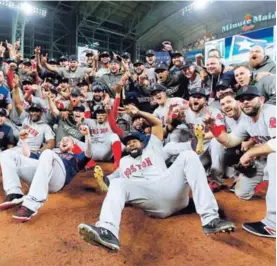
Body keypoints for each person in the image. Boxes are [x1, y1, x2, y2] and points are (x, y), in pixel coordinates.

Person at [78, 104, 235, 252]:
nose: (131, 144)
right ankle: (108, 230)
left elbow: (157, 124)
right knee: (118, 183)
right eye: (128, 143)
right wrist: (102, 181)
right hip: (152, 202)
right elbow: (111, 188)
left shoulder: (153, 147)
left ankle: (210, 219)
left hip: (170, 187)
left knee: (188, 155)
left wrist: (138, 113)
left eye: (134, 141)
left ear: (142, 142)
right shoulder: (124, 163)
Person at [203, 85, 276, 238]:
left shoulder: (271, 112)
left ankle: (273, 224)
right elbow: (229, 141)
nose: (245, 102)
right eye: (242, 100)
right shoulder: (246, 121)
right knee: (242, 193)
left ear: (261, 100)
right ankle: (265, 180)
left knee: (274, 157)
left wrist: (250, 152)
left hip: (271, 157)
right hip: (262, 162)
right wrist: (214, 128)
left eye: (250, 98)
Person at [0, 125, 92, 222]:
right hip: (43, 175)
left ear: (73, 146)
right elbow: (29, 155)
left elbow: (88, 154)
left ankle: (30, 205)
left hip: (58, 179)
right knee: (7, 156)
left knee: (47, 152)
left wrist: (87, 136)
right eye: (62, 140)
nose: (64, 141)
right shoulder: (52, 153)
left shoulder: (76, 156)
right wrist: (23, 141)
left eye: (67, 140)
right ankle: (14, 193)